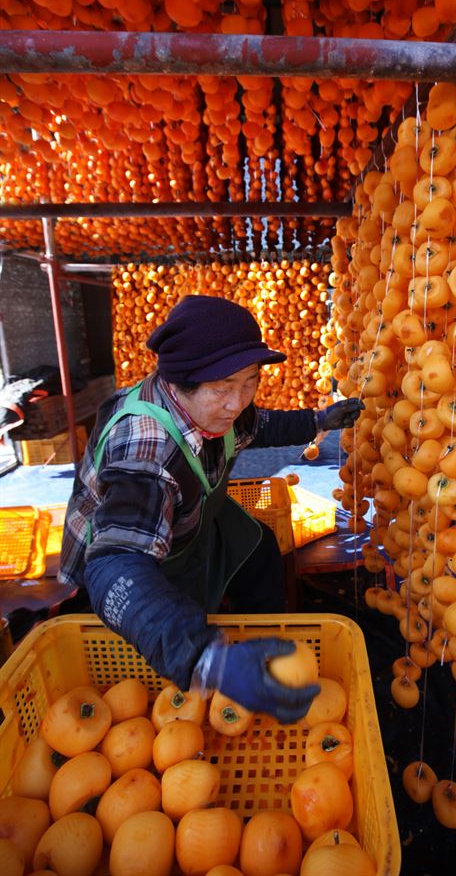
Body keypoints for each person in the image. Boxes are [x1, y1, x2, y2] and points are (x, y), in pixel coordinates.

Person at [59, 295, 363, 723]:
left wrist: (319, 420)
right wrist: (206, 659)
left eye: (249, 382)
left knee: (258, 552)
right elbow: (115, 562)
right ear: (178, 383)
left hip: (192, 523)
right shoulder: (145, 445)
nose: (237, 402)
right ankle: (218, 667)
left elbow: (260, 425)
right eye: (223, 388)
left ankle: (262, 648)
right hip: (134, 559)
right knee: (157, 643)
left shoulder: (218, 410)